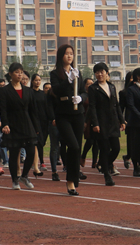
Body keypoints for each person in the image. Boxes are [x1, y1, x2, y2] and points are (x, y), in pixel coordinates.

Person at [49, 44, 85, 196]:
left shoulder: (77, 72)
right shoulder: (55, 74)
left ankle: (73, 180)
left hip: (78, 113)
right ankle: (70, 180)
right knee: (73, 146)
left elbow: (84, 91)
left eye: (71, 53)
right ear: (61, 56)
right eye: (66, 53)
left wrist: (81, 97)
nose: (70, 56)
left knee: (77, 148)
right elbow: (56, 90)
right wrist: (69, 80)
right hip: (63, 114)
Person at [0, 63, 41, 190]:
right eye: (17, 72)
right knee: (14, 153)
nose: (19, 75)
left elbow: (33, 111)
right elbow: (3, 109)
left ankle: (24, 176)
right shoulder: (5, 91)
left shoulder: (28, 91)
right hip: (13, 124)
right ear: (10, 74)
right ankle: (15, 180)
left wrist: (36, 128)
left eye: (21, 72)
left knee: (31, 151)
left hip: (27, 124)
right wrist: (5, 124)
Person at [88, 63, 124, 186]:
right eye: (97, 72)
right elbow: (92, 107)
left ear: (107, 73)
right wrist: (95, 123)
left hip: (113, 122)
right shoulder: (93, 88)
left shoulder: (112, 87)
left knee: (116, 148)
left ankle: (102, 164)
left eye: (102, 72)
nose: (100, 74)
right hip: (101, 122)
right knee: (104, 149)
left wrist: (122, 120)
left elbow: (116, 105)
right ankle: (107, 175)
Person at [30, 74, 50, 173]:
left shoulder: (43, 94)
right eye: (36, 80)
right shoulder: (30, 93)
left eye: (39, 80)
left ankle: (37, 161)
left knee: (42, 142)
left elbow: (47, 107)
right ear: (32, 81)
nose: (38, 82)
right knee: (37, 142)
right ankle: (40, 162)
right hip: (34, 121)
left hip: (44, 121)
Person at [80, 77, 98, 170]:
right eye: (88, 84)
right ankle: (83, 156)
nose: (90, 85)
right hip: (85, 120)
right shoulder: (83, 96)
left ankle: (94, 162)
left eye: (92, 83)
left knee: (96, 141)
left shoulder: (95, 95)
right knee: (90, 140)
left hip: (95, 119)